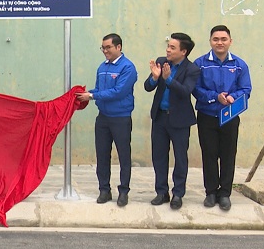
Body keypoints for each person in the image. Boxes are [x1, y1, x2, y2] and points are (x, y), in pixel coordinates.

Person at [193, 25, 252, 211]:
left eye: (223, 39)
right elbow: (195, 88)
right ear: (210, 41)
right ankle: (210, 192)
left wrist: (234, 97)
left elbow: (246, 89)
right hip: (207, 116)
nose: (220, 42)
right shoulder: (200, 63)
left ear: (230, 41)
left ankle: (225, 193)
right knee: (209, 154)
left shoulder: (239, 65)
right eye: (216, 39)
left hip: (230, 117)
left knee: (228, 154)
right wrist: (214, 97)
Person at [76, 33, 137, 207]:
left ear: (119, 47)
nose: (105, 51)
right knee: (102, 155)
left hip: (121, 118)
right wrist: (84, 94)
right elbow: (99, 89)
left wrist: (92, 95)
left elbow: (119, 92)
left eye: (108, 47)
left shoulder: (128, 68)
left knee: (124, 156)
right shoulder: (102, 67)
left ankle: (123, 191)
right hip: (103, 118)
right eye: (103, 47)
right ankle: (104, 189)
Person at [143, 33, 200, 210]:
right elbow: (147, 87)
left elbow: (185, 91)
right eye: (168, 46)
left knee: (180, 157)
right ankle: (161, 192)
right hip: (160, 117)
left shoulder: (192, 69)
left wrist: (168, 79)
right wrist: (154, 77)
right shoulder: (161, 62)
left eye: (172, 47)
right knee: (159, 156)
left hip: (180, 120)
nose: (168, 49)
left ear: (183, 51)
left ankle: (178, 193)